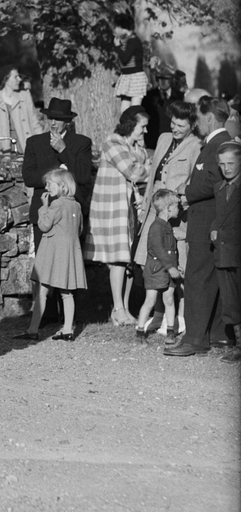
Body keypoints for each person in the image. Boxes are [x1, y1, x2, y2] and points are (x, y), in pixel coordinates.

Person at [165, 97, 232, 357]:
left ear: (209, 118)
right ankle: (219, 335)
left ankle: (195, 338)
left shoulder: (217, 144)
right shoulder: (221, 143)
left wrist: (188, 191)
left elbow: (215, 179)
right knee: (214, 278)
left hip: (206, 220)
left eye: (199, 118)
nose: (197, 123)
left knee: (197, 278)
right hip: (215, 220)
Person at [83, 105, 150, 326]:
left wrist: (142, 162)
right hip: (113, 209)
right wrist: (144, 164)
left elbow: (144, 168)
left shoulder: (134, 147)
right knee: (119, 260)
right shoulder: (112, 143)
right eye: (143, 126)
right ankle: (118, 309)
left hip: (130, 208)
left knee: (128, 260)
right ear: (131, 124)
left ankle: (124, 308)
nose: (145, 132)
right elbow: (135, 172)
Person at [15, 168, 86, 342]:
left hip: (53, 252)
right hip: (69, 252)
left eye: (49, 184)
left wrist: (43, 207)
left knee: (43, 291)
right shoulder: (76, 204)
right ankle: (68, 329)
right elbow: (80, 229)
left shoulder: (57, 204)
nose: (46, 186)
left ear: (61, 186)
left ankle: (33, 329)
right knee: (66, 292)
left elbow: (45, 225)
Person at [134, 101, 200, 284]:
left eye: (181, 125)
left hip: (175, 213)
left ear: (192, 125)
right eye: (173, 123)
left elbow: (195, 183)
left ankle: (175, 310)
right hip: (153, 209)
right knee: (145, 259)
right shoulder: (163, 138)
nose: (175, 128)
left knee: (175, 264)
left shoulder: (196, 145)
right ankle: (158, 310)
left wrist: (180, 204)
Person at [22, 98, 94, 249]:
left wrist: (63, 151)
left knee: (68, 263)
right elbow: (29, 177)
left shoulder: (81, 143)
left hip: (70, 213)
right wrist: (61, 171)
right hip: (44, 211)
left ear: (67, 121)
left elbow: (83, 176)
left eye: (58, 119)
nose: (53, 122)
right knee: (44, 265)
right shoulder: (35, 142)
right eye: (51, 118)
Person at [135, 189, 182, 343]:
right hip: (156, 270)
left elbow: (170, 250)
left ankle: (170, 331)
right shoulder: (156, 227)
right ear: (168, 208)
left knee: (169, 299)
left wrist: (176, 265)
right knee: (150, 300)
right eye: (176, 206)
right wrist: (171, 267)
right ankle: (140, 331)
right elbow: (159, 250)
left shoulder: (167, 225)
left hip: (168, 270)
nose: (178, 209)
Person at [210, 141, 241, 363]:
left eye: (231, 163)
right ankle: (237, 346)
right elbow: (220, 216)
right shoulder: (219, 188)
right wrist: (213, 228)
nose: (227, 168)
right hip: (223, 251)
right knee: (230, 302)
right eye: (222, 164)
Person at [0, 66, 42, 155]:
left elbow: (35, 124)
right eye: (15, 77)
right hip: (1, 153)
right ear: (6, 80)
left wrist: (41, 146)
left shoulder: (25, 97)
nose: (19, 79)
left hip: (27, 151)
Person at [112, 13, 147, 112]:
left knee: (134, 110)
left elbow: (125, 59)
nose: (114, 30)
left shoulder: (133, 41)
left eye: (116, 27)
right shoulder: (124, 40)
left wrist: (117, 47)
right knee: (124, 110)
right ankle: (125, 127)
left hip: (136, 77)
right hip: (127, 76)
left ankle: (136, 127)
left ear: (122, 28)